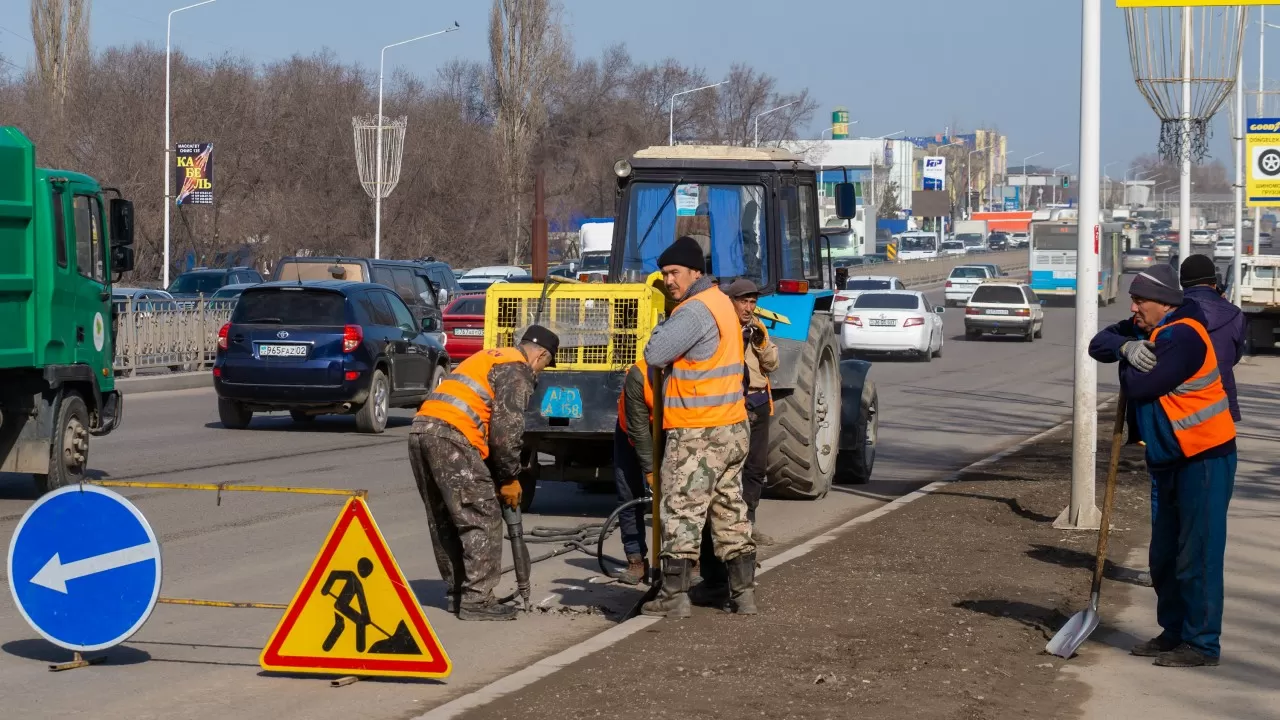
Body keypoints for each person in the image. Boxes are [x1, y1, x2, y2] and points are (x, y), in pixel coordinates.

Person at [1089, 264, 1237, 668]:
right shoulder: (1151, 328)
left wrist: (1124, 356)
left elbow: (1140, 385)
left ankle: (1202, 643)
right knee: (1165, 556)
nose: (1133, 308)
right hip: (1168, 458)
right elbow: (1098, 343)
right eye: (1133, 300)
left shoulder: (1184, 336)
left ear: (1165, 303)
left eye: (1140, 301)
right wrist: (1124, 347)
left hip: (1204, 458)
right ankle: (1173, 632)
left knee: (1197, 554)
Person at [408, 325, 559, 621]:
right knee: (483, 515)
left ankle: (458, 592)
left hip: (421, 431)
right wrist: (510, 478)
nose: (540, 372)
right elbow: (505, 432)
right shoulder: (517, 369)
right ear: (541, 355)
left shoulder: (489, 357)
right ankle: (477, 599)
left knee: (446, 518)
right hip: (452, 435)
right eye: (545, 365)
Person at [640, 235, 756, 618]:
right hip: (732, 426)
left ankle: (673, 596)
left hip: (697, 430)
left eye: (674, 272)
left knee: (681, 510)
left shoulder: (693, 311)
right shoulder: (722, 302)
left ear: (695, 271)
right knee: (730, 510)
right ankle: (742, 594)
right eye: (664, 274)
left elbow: (655, 353)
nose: (668, 280)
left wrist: (662, 327)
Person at [691, 278, 780, 608]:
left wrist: (760, 342)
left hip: (756, 403)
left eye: (752, 301)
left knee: (754, 473)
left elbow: (772, 364)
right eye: (743, 301)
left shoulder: (758, 329)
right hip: (729, 407)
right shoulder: (719, 328)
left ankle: (747, 527)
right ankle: (718, 567)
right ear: (730, 302)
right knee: (722, 483)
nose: (748, 307)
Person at [1179, 254, 1245, 421]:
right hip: (1221, 401)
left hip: (1180, 404)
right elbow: (1235, 356)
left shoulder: (1173, 311)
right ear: (1214, 283)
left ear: (1182, 283)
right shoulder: (1235, 314)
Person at [613, 356, 656, 585]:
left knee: (679, 497)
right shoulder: (639, 375)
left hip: (668, 430)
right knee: (628, 494)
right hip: (630, 430)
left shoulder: (685, 372)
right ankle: (636, 559)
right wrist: (651, 472)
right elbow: (638, 431)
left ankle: (684, 561)